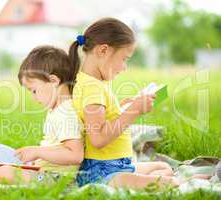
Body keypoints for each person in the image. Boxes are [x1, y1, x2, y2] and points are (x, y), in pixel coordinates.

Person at [68, 17, 178, 189]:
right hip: (102, 172)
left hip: (117, 165)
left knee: (163, 168)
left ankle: (136, 181)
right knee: (169, 182)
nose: (124, 67)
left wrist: (124, 106)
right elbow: (98, 138)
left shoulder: (92, 83)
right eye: (124, 59)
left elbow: (101, 117)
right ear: (103, 50)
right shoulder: (93, 88)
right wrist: (134, 111)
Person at [0, 46, 84, 184]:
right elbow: (58, 147)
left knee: (4, 172)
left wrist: (38, 152)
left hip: (58, 179)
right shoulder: (57, 110)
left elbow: (75, 155)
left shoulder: (66, 112)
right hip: (48, 172)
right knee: (1, 169)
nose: (34, 98)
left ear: (53, 81)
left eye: (34, 91)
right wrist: (38, 158)